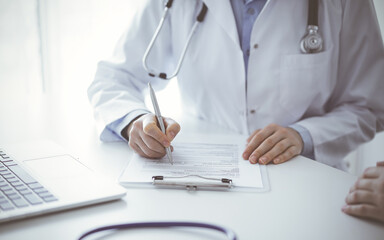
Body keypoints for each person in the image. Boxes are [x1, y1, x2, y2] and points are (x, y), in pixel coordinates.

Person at [88, 0, 384, 170]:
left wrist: (304, 136)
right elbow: (113, 80)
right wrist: (135, 122)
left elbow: (369, 105)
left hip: (310, 177)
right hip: (203, 175)